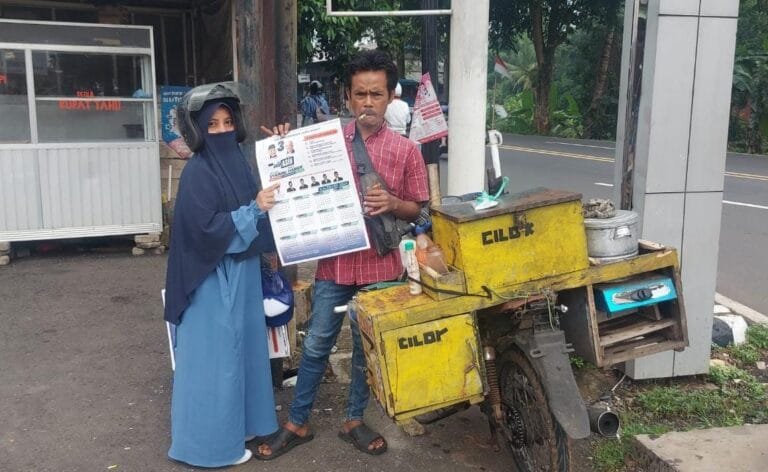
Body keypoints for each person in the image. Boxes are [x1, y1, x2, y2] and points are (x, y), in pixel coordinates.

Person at [256, 50, 429, 460]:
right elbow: (287, 172)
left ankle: (354, 419)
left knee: (365, 348)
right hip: (333, 266)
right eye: (360, 94)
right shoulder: (324, 143)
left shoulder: (407, 151)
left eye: (376, 94)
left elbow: (419, 209)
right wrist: (283, 144)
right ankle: (298, 422)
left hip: (381, 266)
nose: (368, 102)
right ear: (348, 98)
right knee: (317, 344)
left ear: (390, 97)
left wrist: (393, 203)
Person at [164, 82, 288, 468]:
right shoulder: (197, 172)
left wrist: (284, 147)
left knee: (245, 354)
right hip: (210, 280)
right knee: (216, 363)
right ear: (197, 130)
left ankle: (244, 427)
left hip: (243, 272)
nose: (221, 130)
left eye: (228, 122)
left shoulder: (238, 162)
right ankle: (211, 448)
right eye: (212, 124)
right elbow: (205, 230)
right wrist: (253, 210)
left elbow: (271, 190)